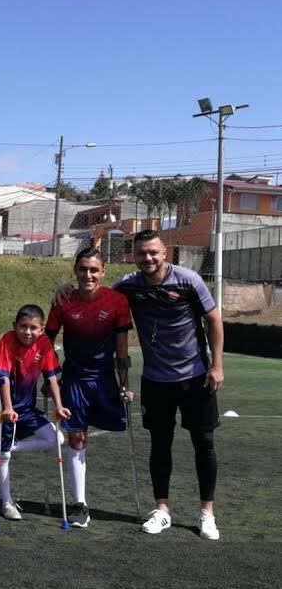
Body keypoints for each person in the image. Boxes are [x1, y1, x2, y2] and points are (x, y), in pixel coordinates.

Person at [55, 230, 223, 540]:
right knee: (160, 444)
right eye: (141, 253)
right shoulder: (128, 286)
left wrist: (216, 366)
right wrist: (66, 289)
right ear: (133, 255)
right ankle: (162, 509)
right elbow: (96, 292)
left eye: (153, 252)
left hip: (195, 376)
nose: (148, 258)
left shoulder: (189, 281)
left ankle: (207, 514)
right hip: (156, 379)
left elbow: (214, 319)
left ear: (165, 253)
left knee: (204, 444)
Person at [46, 248, 133, 528]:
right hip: (74, 379)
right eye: (83, 269)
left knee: (97, 432)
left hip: (105, 380)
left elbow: (122, 347)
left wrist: (125, 385)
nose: (88, 275)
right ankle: (79, 504)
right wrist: (49, 377)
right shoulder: (63, 301)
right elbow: (47, 341)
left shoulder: (117, 301)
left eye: (94, 270)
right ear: (75, 271)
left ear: (103, 272)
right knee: (77, 437)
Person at [0, 304, 70, 521]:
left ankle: (12, 447)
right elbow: (2, 377)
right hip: (3, 405)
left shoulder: (44, 343)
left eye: (33, 328)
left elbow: (51, 377)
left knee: (57, 439)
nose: (27, 332)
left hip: (26, 408)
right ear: (14, 326)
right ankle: (6, 502)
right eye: (23, 326)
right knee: (3, 457)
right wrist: (8, 407)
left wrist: (59, 406)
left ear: (42, 330)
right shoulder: (7, 340)